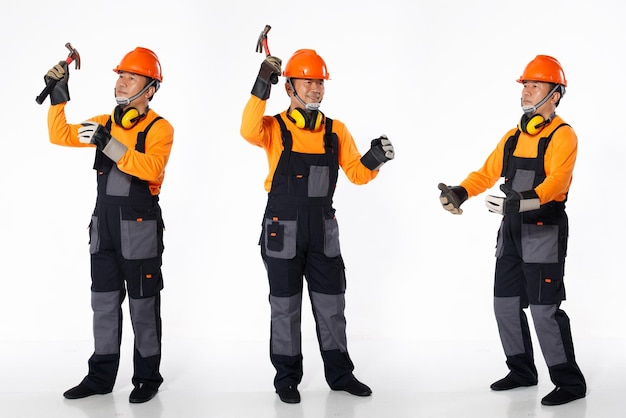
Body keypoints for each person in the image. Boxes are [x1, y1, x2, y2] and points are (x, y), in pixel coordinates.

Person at [240, 49, 394, 404]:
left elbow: (356, 173)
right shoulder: (274, 127)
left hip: (323, 231)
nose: (315, 88)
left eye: (319, 82)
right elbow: (247, 129)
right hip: (282, 229)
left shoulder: (335, 131)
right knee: (285, 306)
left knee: (331, 305)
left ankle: (340, 375)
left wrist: (377, 158)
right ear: (289, 86)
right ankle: (287, 378)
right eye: (308, 81)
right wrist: (263, 80)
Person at [438, 55, 586, 406]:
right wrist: (460, 191)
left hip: (543, 232)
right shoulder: (512, 137)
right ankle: (521, 370)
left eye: (535, 84)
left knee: (543, 309)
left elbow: (555, 184)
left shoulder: (564, 136)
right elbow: (485, 174)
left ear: (555, 94)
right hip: (511, 232)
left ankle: (569, 382)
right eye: (525, 84)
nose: (526, 90)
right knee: (504, 304)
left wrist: (522, 201)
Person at [44, 47, 174, 404]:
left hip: (141, 230)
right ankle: (100, 376)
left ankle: (147, 377)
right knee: (102, 303)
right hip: (104, 228)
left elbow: (151, 170)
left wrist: (111, 144)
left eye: (131, 76)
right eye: (120, 75)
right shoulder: (105, 121)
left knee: (143, 306)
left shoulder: (160, 129)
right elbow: (61, 135)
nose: (121, 81)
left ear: (150, 89)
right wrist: (59, 96)